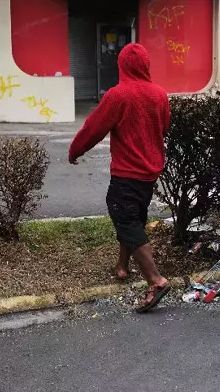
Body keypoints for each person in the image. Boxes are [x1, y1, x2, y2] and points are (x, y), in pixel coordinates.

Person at [69, 43, 171, 313]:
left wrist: (75, 150)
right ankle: (123, 267)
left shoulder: (119, 95)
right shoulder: (160, 94)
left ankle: (155, 280)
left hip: (127, 173)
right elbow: (164, 126)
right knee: (134, 219)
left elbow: (94, 127)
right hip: (149, 173)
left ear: (122, 66)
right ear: (146, 65)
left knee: (126, 221)